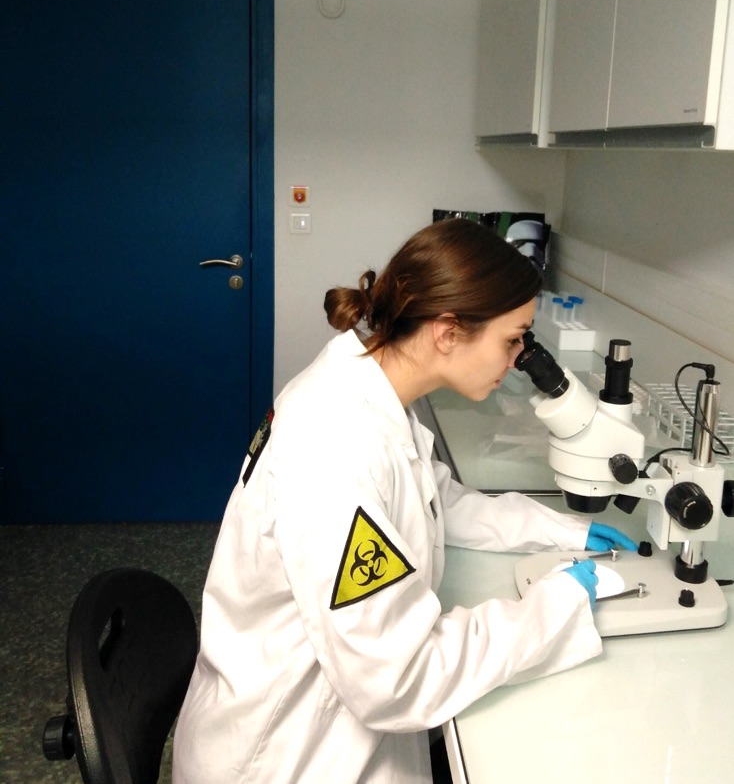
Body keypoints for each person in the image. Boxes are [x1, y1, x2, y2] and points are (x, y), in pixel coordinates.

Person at [172, 218, 636, 784]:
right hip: (284, 756)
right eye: (512, 338)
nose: (520, 357)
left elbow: (440, 500)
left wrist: (564, 531)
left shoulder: (371, 386)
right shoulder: (336, 445)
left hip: (324, 716)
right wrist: (555, 606)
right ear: (448, 332)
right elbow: (398, 678)